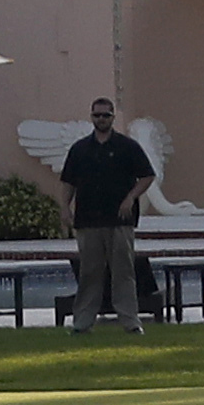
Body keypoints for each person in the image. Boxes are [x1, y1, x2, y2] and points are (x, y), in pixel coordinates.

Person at [58, 95, 155, 331]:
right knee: (89, 273)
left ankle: (130, 322)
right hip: (88, 220)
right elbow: (68, 182)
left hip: (119, 220)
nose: (101, 119)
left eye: (106, 115)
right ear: (91, 117)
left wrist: (131, 198)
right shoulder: (80, 149)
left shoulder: (127, 147)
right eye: (97, 115)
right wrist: (64, 208)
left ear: (112, 117)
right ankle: (82, 323)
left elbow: (147, 176)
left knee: (123, 272)